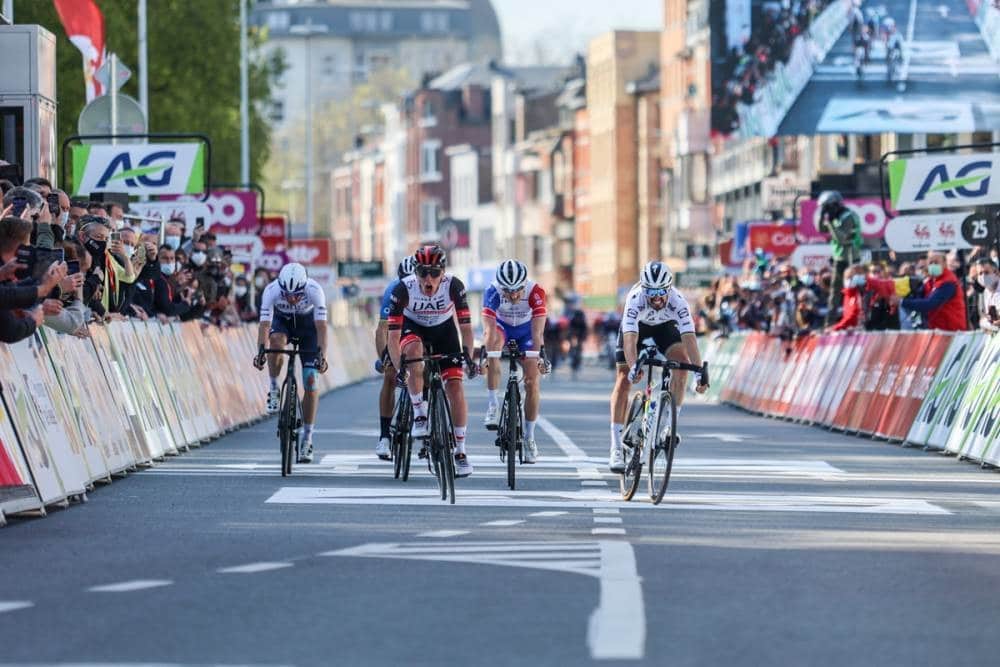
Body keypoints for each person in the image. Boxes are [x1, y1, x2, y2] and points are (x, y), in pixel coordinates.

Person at [386, 245, 477, 478]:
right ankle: (419, 413)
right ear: (415, 272)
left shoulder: (454, 286)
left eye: (434, 273)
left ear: (443, 273)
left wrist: (468, 357)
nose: (428, 279)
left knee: (455, 387)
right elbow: (393, 338)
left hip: (444, 331)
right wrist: (399, 369)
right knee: (414, 352)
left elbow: (466, 329)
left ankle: (460, 450)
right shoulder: (403, 289)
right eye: (423, 272)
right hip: (413, 327)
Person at [609, 261, 707, 472]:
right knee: (623, 378)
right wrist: (634, 367)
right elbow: (630, 340)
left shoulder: (678, 301)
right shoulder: (634, 299)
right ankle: (616, 448)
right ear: (643, 289)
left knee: (682, 364)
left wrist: (700, 373)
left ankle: (668, 427)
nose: (656, 298)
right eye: (650, 292)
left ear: (669, 288)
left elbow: (690, 339)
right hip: (638, 329)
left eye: (661, 292)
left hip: (665, 329)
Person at [252, 263, 329, 463]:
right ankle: (274, 387)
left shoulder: (315, 290)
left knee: (311, 380)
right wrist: (261, 351)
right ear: (280, 287)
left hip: (308, 328)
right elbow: (264, 325)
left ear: (304, 287)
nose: (292, 299)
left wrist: (322, 356)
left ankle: (307, 438)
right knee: (276, 342)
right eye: (287, 294)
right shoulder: (271, 290)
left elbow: (321, 328)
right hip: (282, 322)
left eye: (297, 295)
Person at [481, 259, 550, 463]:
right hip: (502, 329)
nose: (513, 295)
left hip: (526, 332)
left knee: (532, 381)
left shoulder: (536, 291)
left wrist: (540, 356)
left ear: (524, 284)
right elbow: (489, 330)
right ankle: (493, 405)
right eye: (508, 291)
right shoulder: (492, 291)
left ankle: (529, 437)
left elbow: (537, 333)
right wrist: (486, 355)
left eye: (517, 290)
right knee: (493, 345)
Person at [373, 254, 416, 460]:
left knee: (426, 370)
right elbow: (382, 329)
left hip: (420, 329)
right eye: (404, 282)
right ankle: (384, 436)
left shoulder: (429, 289)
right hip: (397, 331)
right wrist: (384, 357)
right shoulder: (393, 290)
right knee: (390, 375)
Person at [816, 191, 863, 325]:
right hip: (840, 258)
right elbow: (821, 230)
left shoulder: (848, 216)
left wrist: (830, 223)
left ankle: (859, 320)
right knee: (835, 291)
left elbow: (842, 239)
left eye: (827, 207)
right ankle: (829, 322)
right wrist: (822, 216)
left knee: (854, 289)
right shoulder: (835, 217)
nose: (827, 210)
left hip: (851, 258)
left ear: (835, 205)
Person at [900, 252, 968, 332]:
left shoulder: (948, 282)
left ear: (944, 264)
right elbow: (919, 297)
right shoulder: (930, 281)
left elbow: (930, 304)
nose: (933, 265)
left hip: (952, 330)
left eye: (936, 262)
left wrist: (902, 302)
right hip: (938, 329)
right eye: (930, 263)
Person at [971, 258, 999, 332]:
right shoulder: (983, 294)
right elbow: (983, 316)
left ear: (996, 272)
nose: (983, 276)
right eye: (980, 274)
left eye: (986, 272)